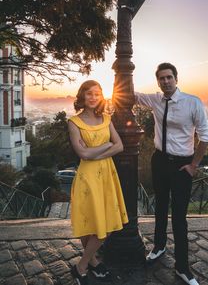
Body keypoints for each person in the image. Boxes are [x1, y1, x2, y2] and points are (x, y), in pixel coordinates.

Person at [135, 63, 208, 285]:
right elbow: (133, 95)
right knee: (159, 206)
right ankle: (158, 247)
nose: (165, 81)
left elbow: (205, 136)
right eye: (161, 78)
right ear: (158, 81)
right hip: (159, 160)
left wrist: (194, 165)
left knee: (179, 216)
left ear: (176, 78)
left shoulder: (192, 102)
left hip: (182, 165)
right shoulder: (156, 100)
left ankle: (182, 267)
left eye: (169, 77)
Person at [68, 80, 128, 285]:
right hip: (87, 178)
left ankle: (82, 265)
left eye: (97, 94)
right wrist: (106, 145)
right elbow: (82, 153)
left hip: (107, 175)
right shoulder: (74, 122)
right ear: (82, 96)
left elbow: (119, 146)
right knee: (89, 223)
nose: (93, 97)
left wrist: (96, 151)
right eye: (89, 93)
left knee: (108, 224)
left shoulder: (106, 118)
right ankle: (88, 263)